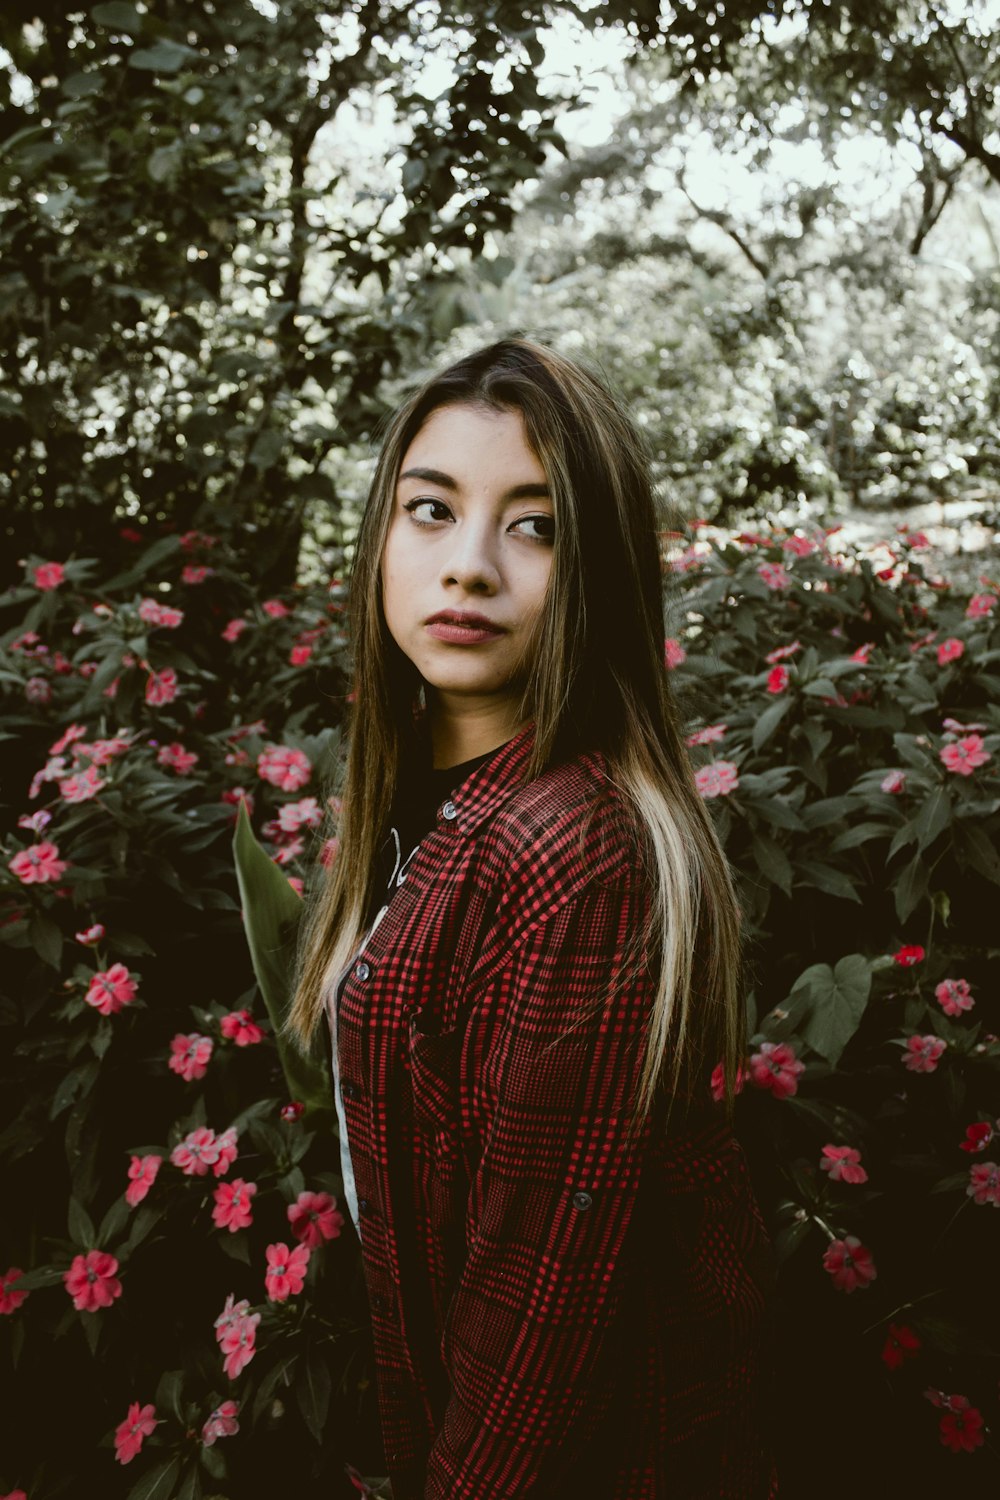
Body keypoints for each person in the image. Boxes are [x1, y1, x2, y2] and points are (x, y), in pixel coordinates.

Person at [287, 339, 776, 1499]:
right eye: (430, 510)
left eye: (535, 524)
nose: (467, 567)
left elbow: (536, 1319)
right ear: (380, 542)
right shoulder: (427, 802)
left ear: (595, 568)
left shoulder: (570, 850)